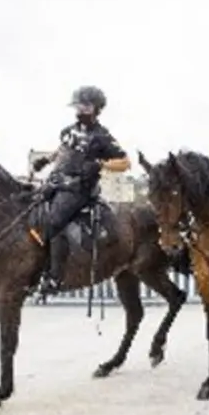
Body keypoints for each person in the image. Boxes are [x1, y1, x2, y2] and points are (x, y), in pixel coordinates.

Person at [30, 85, 130, 295]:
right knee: (28, 210)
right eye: (78, 106)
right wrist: (46, 160)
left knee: (53, 222)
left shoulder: (102, 136)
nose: (80, 110)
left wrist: (100, 164)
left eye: (85, 106)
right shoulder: (68, 130)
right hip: (56, 182)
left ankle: (54, 278)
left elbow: (125, 162)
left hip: (79, 190)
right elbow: (64, 149)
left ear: (96, 109)